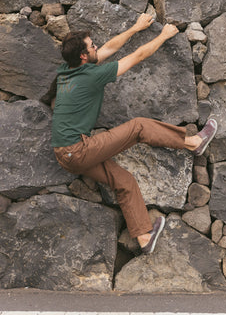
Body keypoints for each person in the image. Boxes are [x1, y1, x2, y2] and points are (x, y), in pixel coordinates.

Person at [51, 13, 217, 254]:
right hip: (78, 150)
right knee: (139, 126)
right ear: (84, 56)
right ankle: (193, 142)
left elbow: (108, 48)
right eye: (92, 45)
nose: (97, 45)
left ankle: (143, 237)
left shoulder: (67, 70)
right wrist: (163, 35)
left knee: (124, 181)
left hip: (65, 154)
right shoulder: (91, 76)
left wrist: (135, 28)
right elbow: (137, 57)